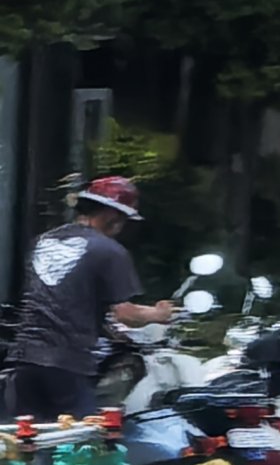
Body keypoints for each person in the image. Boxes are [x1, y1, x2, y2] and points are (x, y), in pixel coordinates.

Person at [9, 176, 173, 421]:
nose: (122, 225)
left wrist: (107, 329)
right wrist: (158, 314)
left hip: (24, 359)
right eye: (123, 219)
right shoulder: (109, 250)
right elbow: (126, 314)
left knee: (27, 436)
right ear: (112, 215)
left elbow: (61, 298)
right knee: (86, 435)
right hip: (67, 362)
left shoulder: (42, 242)